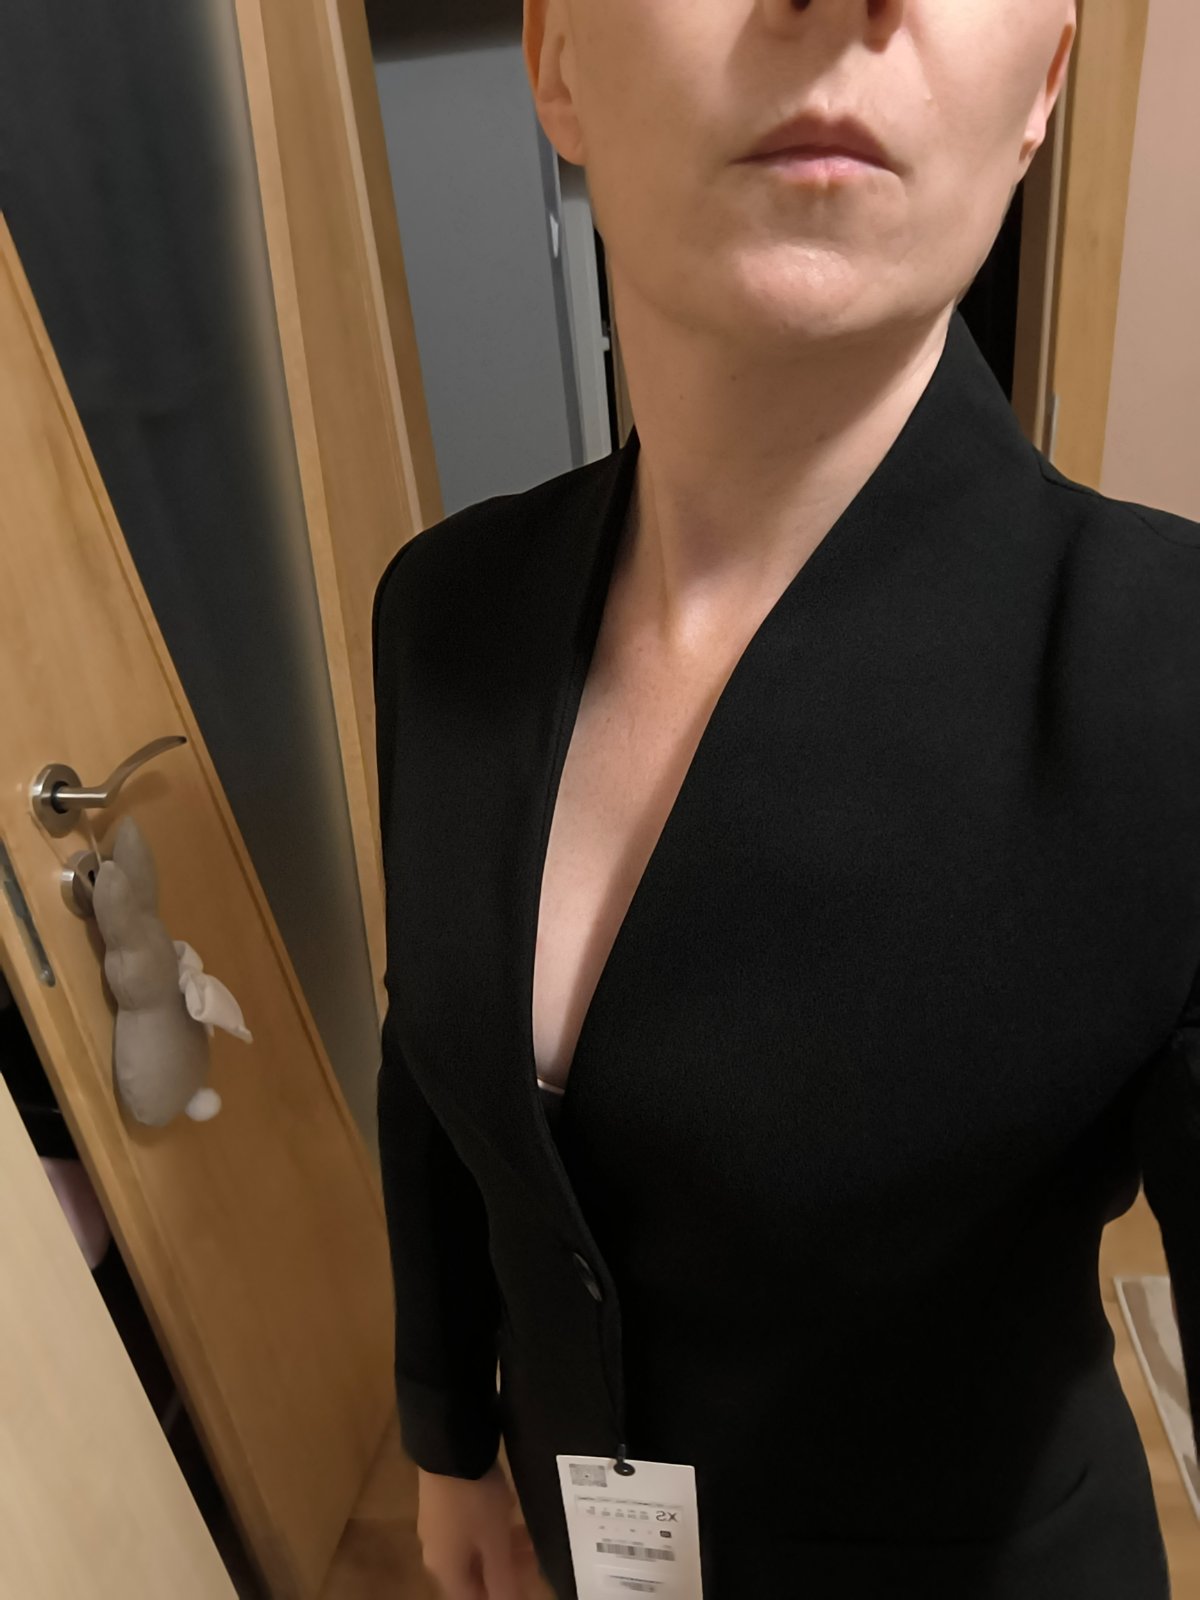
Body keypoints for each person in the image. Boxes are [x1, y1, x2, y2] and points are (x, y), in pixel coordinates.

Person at [372, 1, 1200, 1595]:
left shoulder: (1168, 679)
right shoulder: (445, 610)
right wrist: (451, 1436)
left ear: (1043, 82)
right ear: (556, 60)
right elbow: (431, 1065)